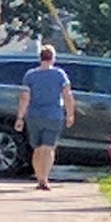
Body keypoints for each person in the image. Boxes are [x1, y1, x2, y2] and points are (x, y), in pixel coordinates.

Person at [14, 45, 75, 190]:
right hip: (53, 116)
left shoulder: (30, 75)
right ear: (53, 58)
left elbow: (25, 98)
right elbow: (67, 95)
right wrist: (70, 114)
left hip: (34, 116)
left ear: (40, 57)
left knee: (37, 148)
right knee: (48, 148)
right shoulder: (60, 74)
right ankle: (44, 179)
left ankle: (39, 176)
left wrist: (20, 117)